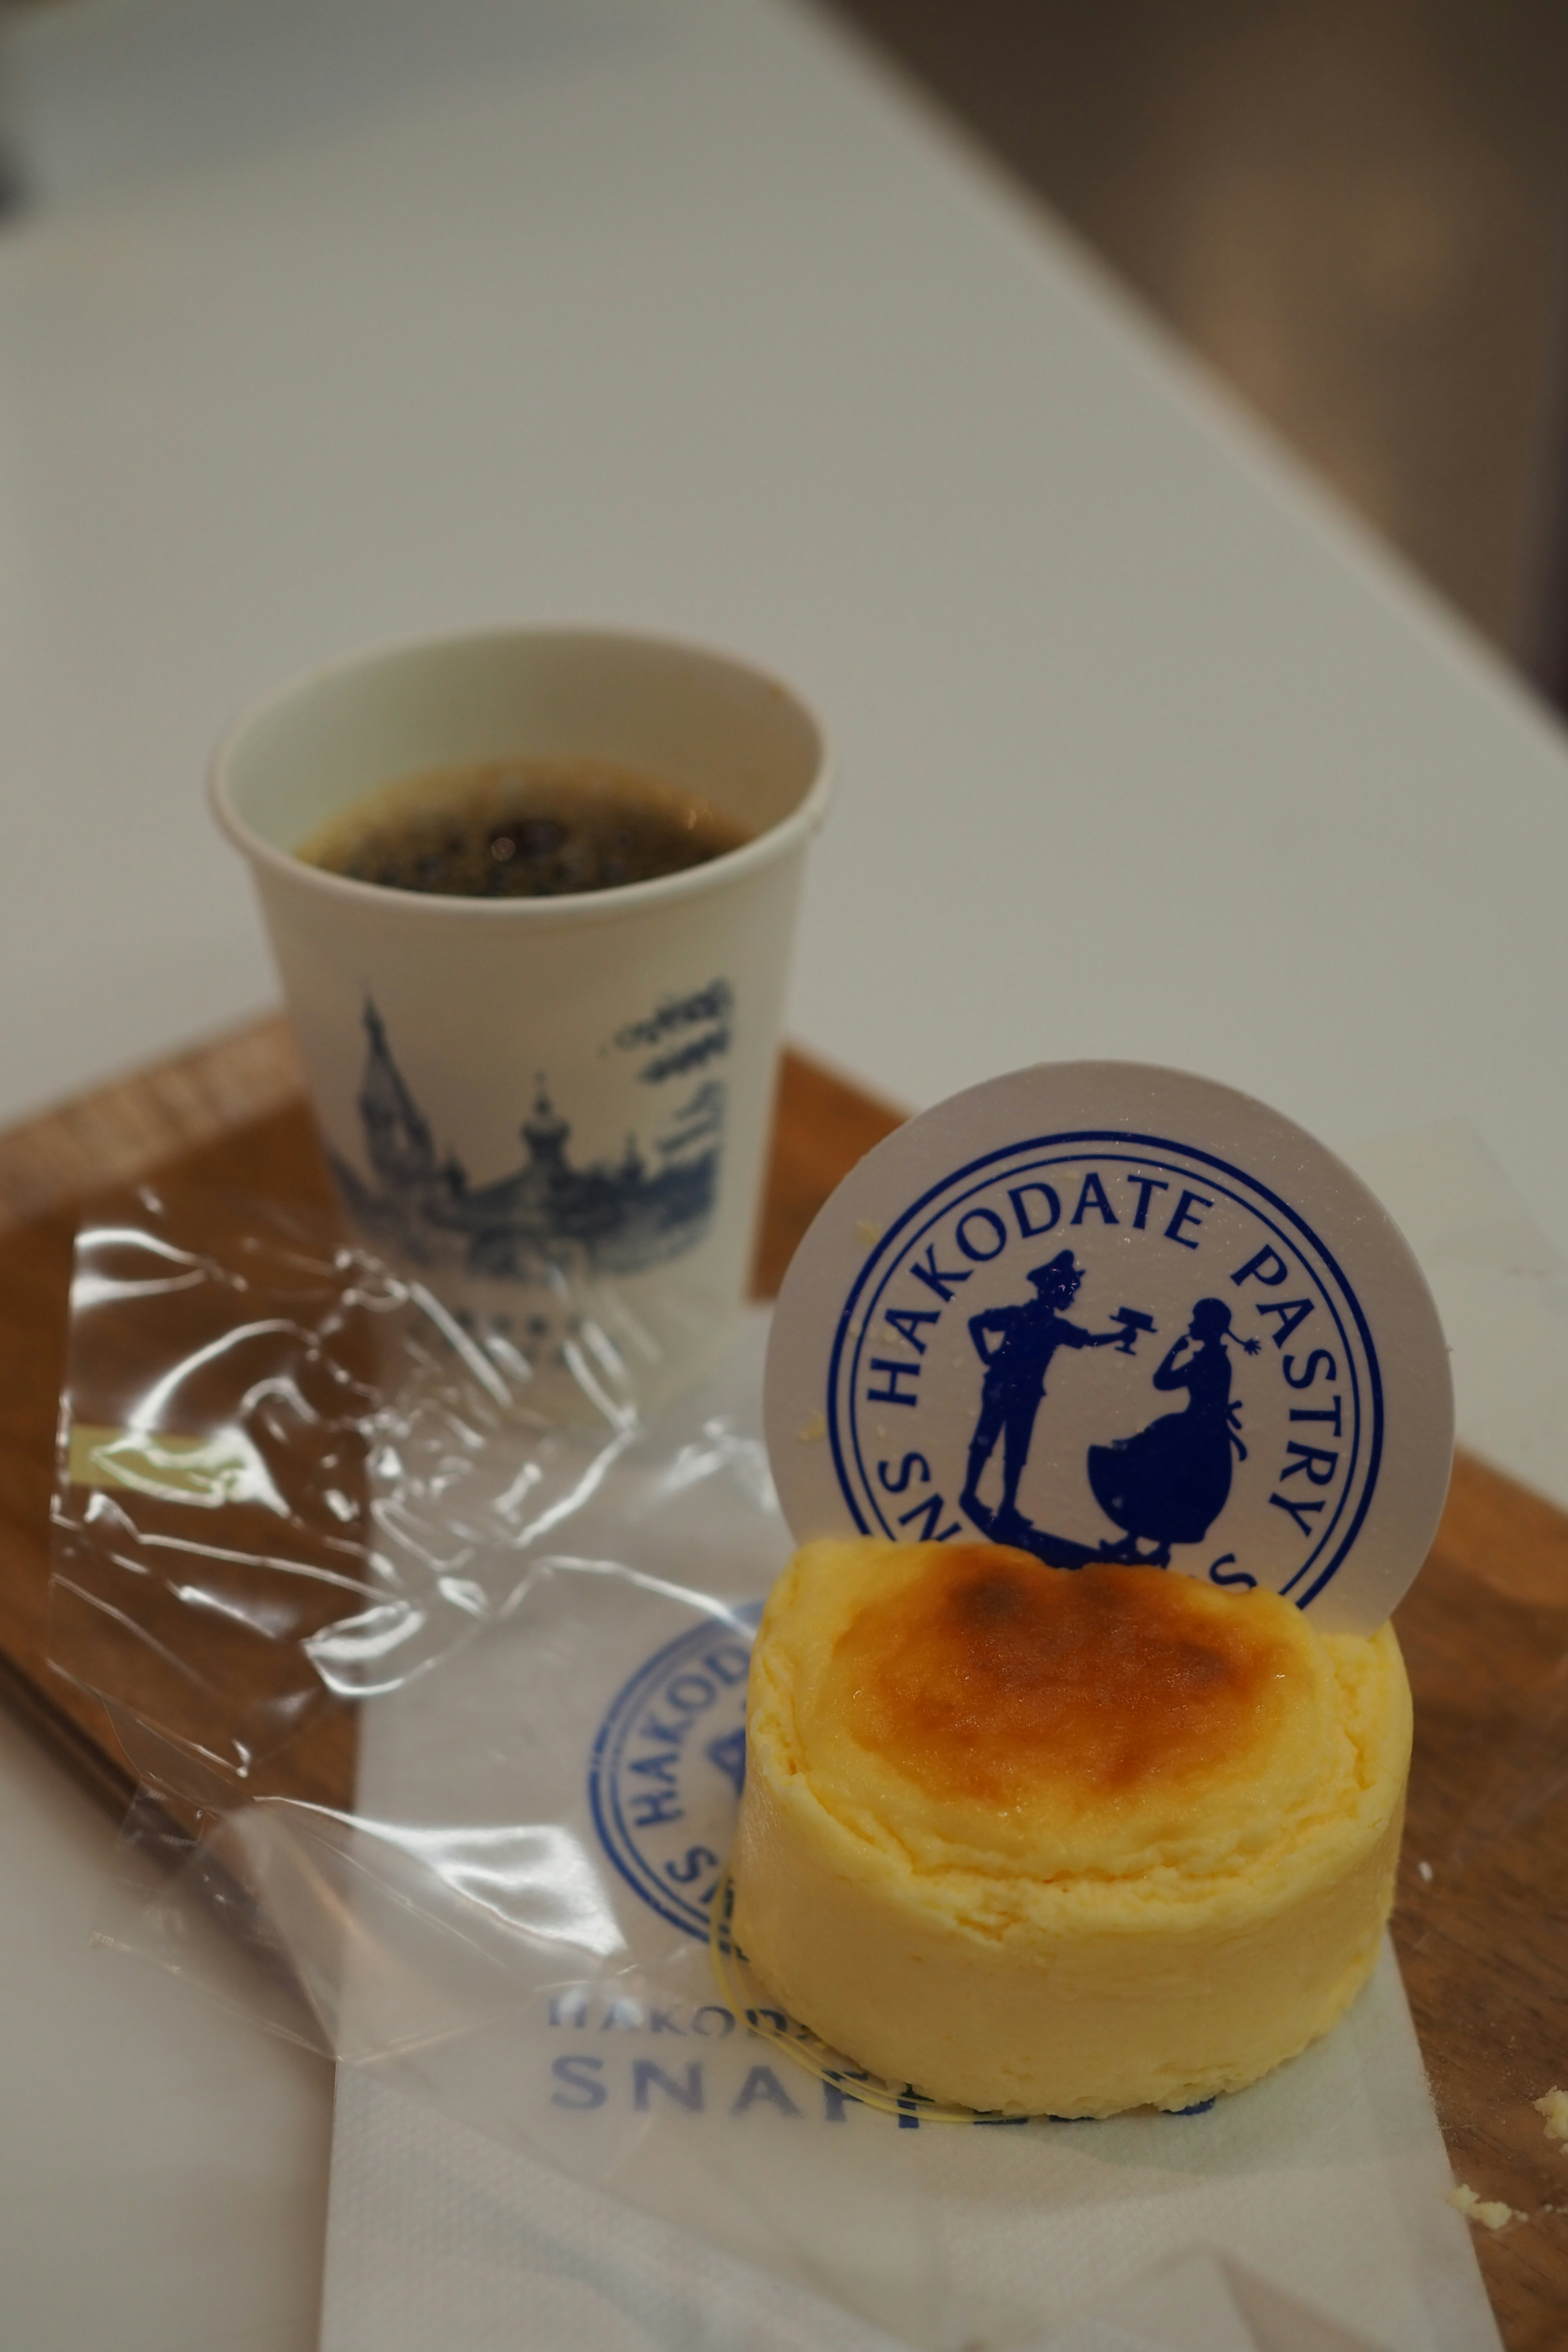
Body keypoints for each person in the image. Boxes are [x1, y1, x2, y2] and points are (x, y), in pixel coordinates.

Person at [962, 1250, 1130, 1532]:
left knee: (1010, 1449)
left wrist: (1118, 1336)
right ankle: (974, 1498)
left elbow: (1086, 1339)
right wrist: (986, 1356)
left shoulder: (1048, 1324)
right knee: (990, 1443)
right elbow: (976, 1323)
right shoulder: (1033, 1320)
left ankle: (1004, 1507)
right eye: (1067, 1291)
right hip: (1005, 1388)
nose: (1071, 1298)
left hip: (1022, 1392)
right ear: (1052, 1291)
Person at [1087, 1296, 1259, 1566]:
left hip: (1199, 1435)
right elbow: (1163, 1382)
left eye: (1197, 1320)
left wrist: (1175, 1351)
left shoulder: (1212, 1362)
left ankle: (1157, 1549)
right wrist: (1175, 1351)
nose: (1192, 1324)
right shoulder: (1209, 1359)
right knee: (1160, 1485)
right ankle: (1138, 1542)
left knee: (1172, 1488)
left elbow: (1167, 1383)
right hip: (1193, 1430)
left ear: (1211, 1326)